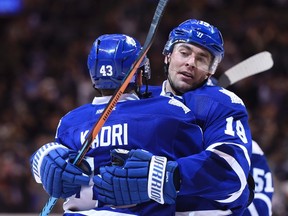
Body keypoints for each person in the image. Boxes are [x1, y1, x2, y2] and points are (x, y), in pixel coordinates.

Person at [30, 33, 206, 215]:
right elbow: (202, 173)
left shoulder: (69, 122)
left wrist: (39, 159)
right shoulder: (168, 111)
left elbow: (52, 170)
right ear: (139, 74)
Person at [93, 19, 254, 215]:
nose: (190, 63)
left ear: (211, 71)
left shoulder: (221, 103)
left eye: (202, 58)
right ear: (168, 55)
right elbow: (98, 139)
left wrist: (168, 175)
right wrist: (55, 156)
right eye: (184, 53)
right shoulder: (139, 98)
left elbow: (231, 171)